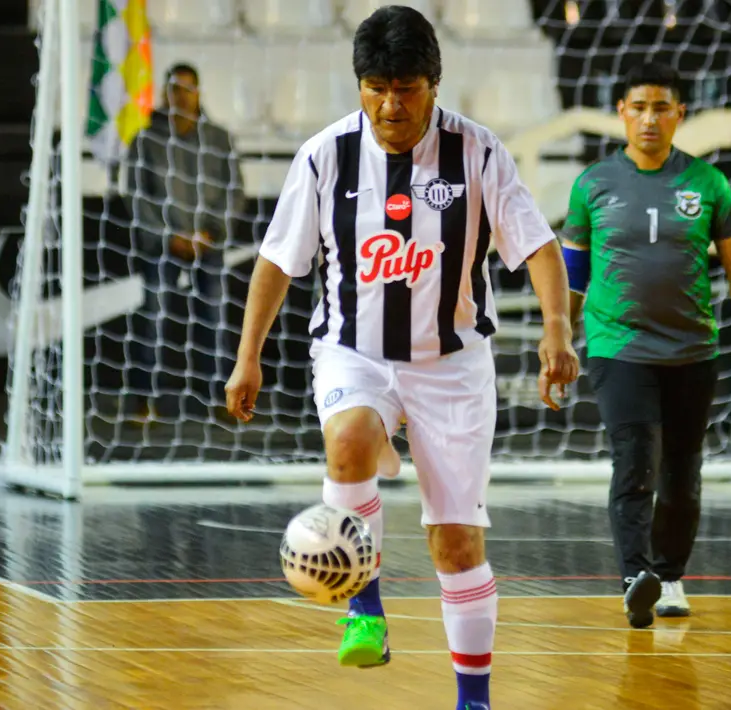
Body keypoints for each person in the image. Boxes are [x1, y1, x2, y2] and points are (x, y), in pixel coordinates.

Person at [224, 7, 579, 710]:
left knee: (454, 545)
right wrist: (248, 358)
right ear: (359, 85)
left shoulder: (476, 153)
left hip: (452, 363)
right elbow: (275, 260)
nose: (391, 104)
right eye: (376, 87)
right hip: (354, 350)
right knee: (349, 442)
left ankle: (472, 699)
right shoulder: (325, 155)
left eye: (407, 88)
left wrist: (556, 330)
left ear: (435, 84)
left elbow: (538, 246)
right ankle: (364, 608)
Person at [560, 62, 731, 629]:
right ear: (622, 113)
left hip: (692, 351)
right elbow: (573, 272)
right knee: (635, 461)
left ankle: (669, 575)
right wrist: (559, 339)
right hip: (616, 346)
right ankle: (635, 578)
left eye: (661, 107)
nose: (649, 118)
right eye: (639, 106)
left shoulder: (708, 184)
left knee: (682, 472)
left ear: (680, 115)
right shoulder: (593, 183)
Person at [124, 63, 245, 421]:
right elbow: (134, 194)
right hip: (161, 245)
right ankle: (144, 401)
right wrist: (168, 236)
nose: (181, 95)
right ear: (165, 93)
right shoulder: (146, 139)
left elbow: (233, 191)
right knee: (153, 319)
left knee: (216, 319)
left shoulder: (219, 139)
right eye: (174, 88)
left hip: (208, 244)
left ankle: (224, 401)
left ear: (198, 92)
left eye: (188, 89)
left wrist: (210, 232)